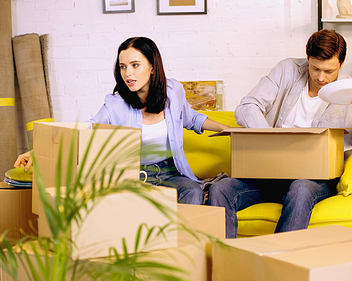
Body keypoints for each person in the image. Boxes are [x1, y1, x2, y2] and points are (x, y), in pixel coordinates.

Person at [207, 29, 352, 238]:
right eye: (315, 68)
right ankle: (223, 260)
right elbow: (247, 107)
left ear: (342, 62)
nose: (321, 77)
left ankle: (278, 263)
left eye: (329, 71)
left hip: (316, 179)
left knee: (300, 188)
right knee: (222, 188)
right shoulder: (287, 70)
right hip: (272, 171)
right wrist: (272, 142)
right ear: (307, 58)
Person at [14, 36, 230, 205]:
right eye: (123, 66)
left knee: (192, 192)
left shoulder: (174, 91)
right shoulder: (115, 103)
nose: (128, 73)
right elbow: (86, 131)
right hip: (136, 175)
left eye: (135, 65)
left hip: (172, 173)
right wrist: (38, 151)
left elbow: (191, 118)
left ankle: (186, 252)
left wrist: (227, 128)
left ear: (152, 67)